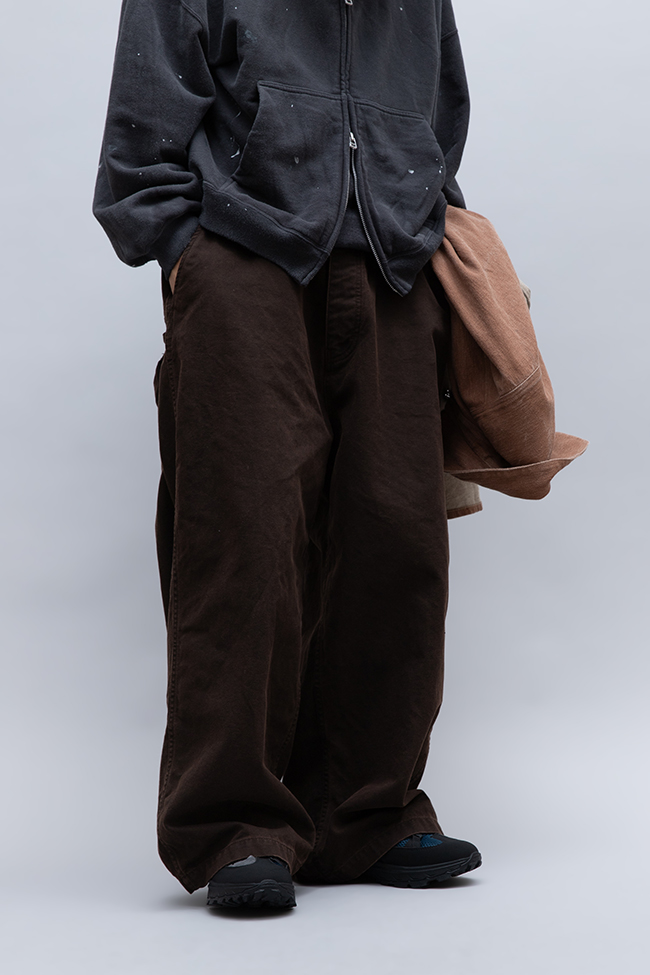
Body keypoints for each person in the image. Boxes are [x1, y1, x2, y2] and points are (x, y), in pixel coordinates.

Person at [94, 0, 481, 910]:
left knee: (398, 538)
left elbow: (440, 117)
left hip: (391, 270)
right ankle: (236, 824)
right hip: (243, 260)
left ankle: (368, 810)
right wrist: (189, 255)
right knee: (247, 537)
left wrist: (422, 222)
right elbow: (138, 146)